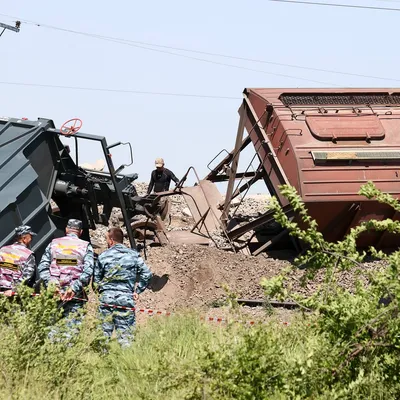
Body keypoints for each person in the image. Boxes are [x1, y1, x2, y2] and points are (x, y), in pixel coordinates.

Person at [94, 227, 152, 347]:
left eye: (106, 239)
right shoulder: (134, 255)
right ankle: (125, 363)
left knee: (102, 336)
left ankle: (101, 361)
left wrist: (101, 291)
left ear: (111, 240)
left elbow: (96, 280)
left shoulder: (103, 256)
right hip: (125, 298)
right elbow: (146, 274)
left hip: (106, 299)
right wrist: (138, 290)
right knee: (126, 337)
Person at [37, 219, 94, 325]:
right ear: (80, 232)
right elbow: (88, 270)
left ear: (66, 229)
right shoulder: (85, 246)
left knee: (52, 328)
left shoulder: (53, 244)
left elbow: (42, 267)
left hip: (54, 293)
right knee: (72, 330)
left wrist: (51, 285)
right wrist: (74, 288)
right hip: (74, 294)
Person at [0, 225, 37, 295]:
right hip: (16, 295)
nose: (31, 239)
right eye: (30, 236)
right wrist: (13, 290)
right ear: (24, 238)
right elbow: (27, 276)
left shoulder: (2, 250)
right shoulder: (28, 254)